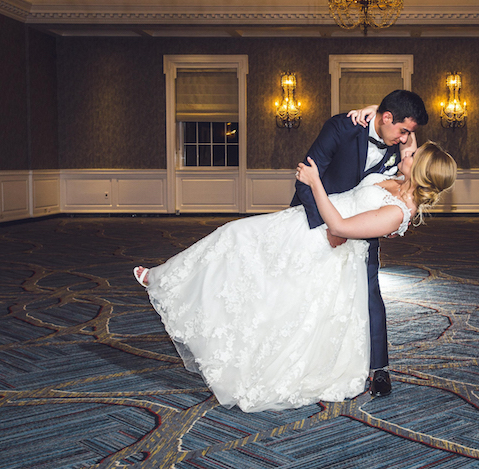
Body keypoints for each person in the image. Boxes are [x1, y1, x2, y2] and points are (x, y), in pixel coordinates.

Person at [132, 140, 456, 413]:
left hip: (325, 245)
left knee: (256, 268)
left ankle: (166, 283)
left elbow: (341, 227)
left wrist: (315, 182)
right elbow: (403, 143)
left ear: (420, 171)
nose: (405, 154)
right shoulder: (399, 182)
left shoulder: (398, 211)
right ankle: (170, 281)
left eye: (412, 156)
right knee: (240, 246)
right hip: (304, 223)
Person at [290, 90, 429, 398]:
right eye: (403, 131)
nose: (405, 138)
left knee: (369, 293)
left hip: (361, 232)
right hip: (316, 220)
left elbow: (411, 171)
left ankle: (379, 369)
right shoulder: (342, 127)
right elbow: (307, 178)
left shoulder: (399, 144)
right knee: (306, 292)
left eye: (410, 134)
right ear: (387, 118)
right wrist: (327, 230)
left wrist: (389, 221)